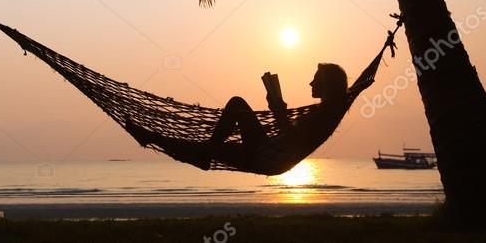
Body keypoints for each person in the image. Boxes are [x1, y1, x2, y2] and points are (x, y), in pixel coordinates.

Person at [125, 63, 349, 174]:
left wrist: (280, 113)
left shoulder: (323, 116)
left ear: (327, 84)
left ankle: (151, 137)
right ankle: (155, 139)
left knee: (228, 116)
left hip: (267, 156)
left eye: (316, 79)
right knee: (231, 113)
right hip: (268, 150)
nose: (311, 83)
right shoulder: (325, 112)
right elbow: (292, 137)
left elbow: (295, 141)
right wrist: (277, 109)